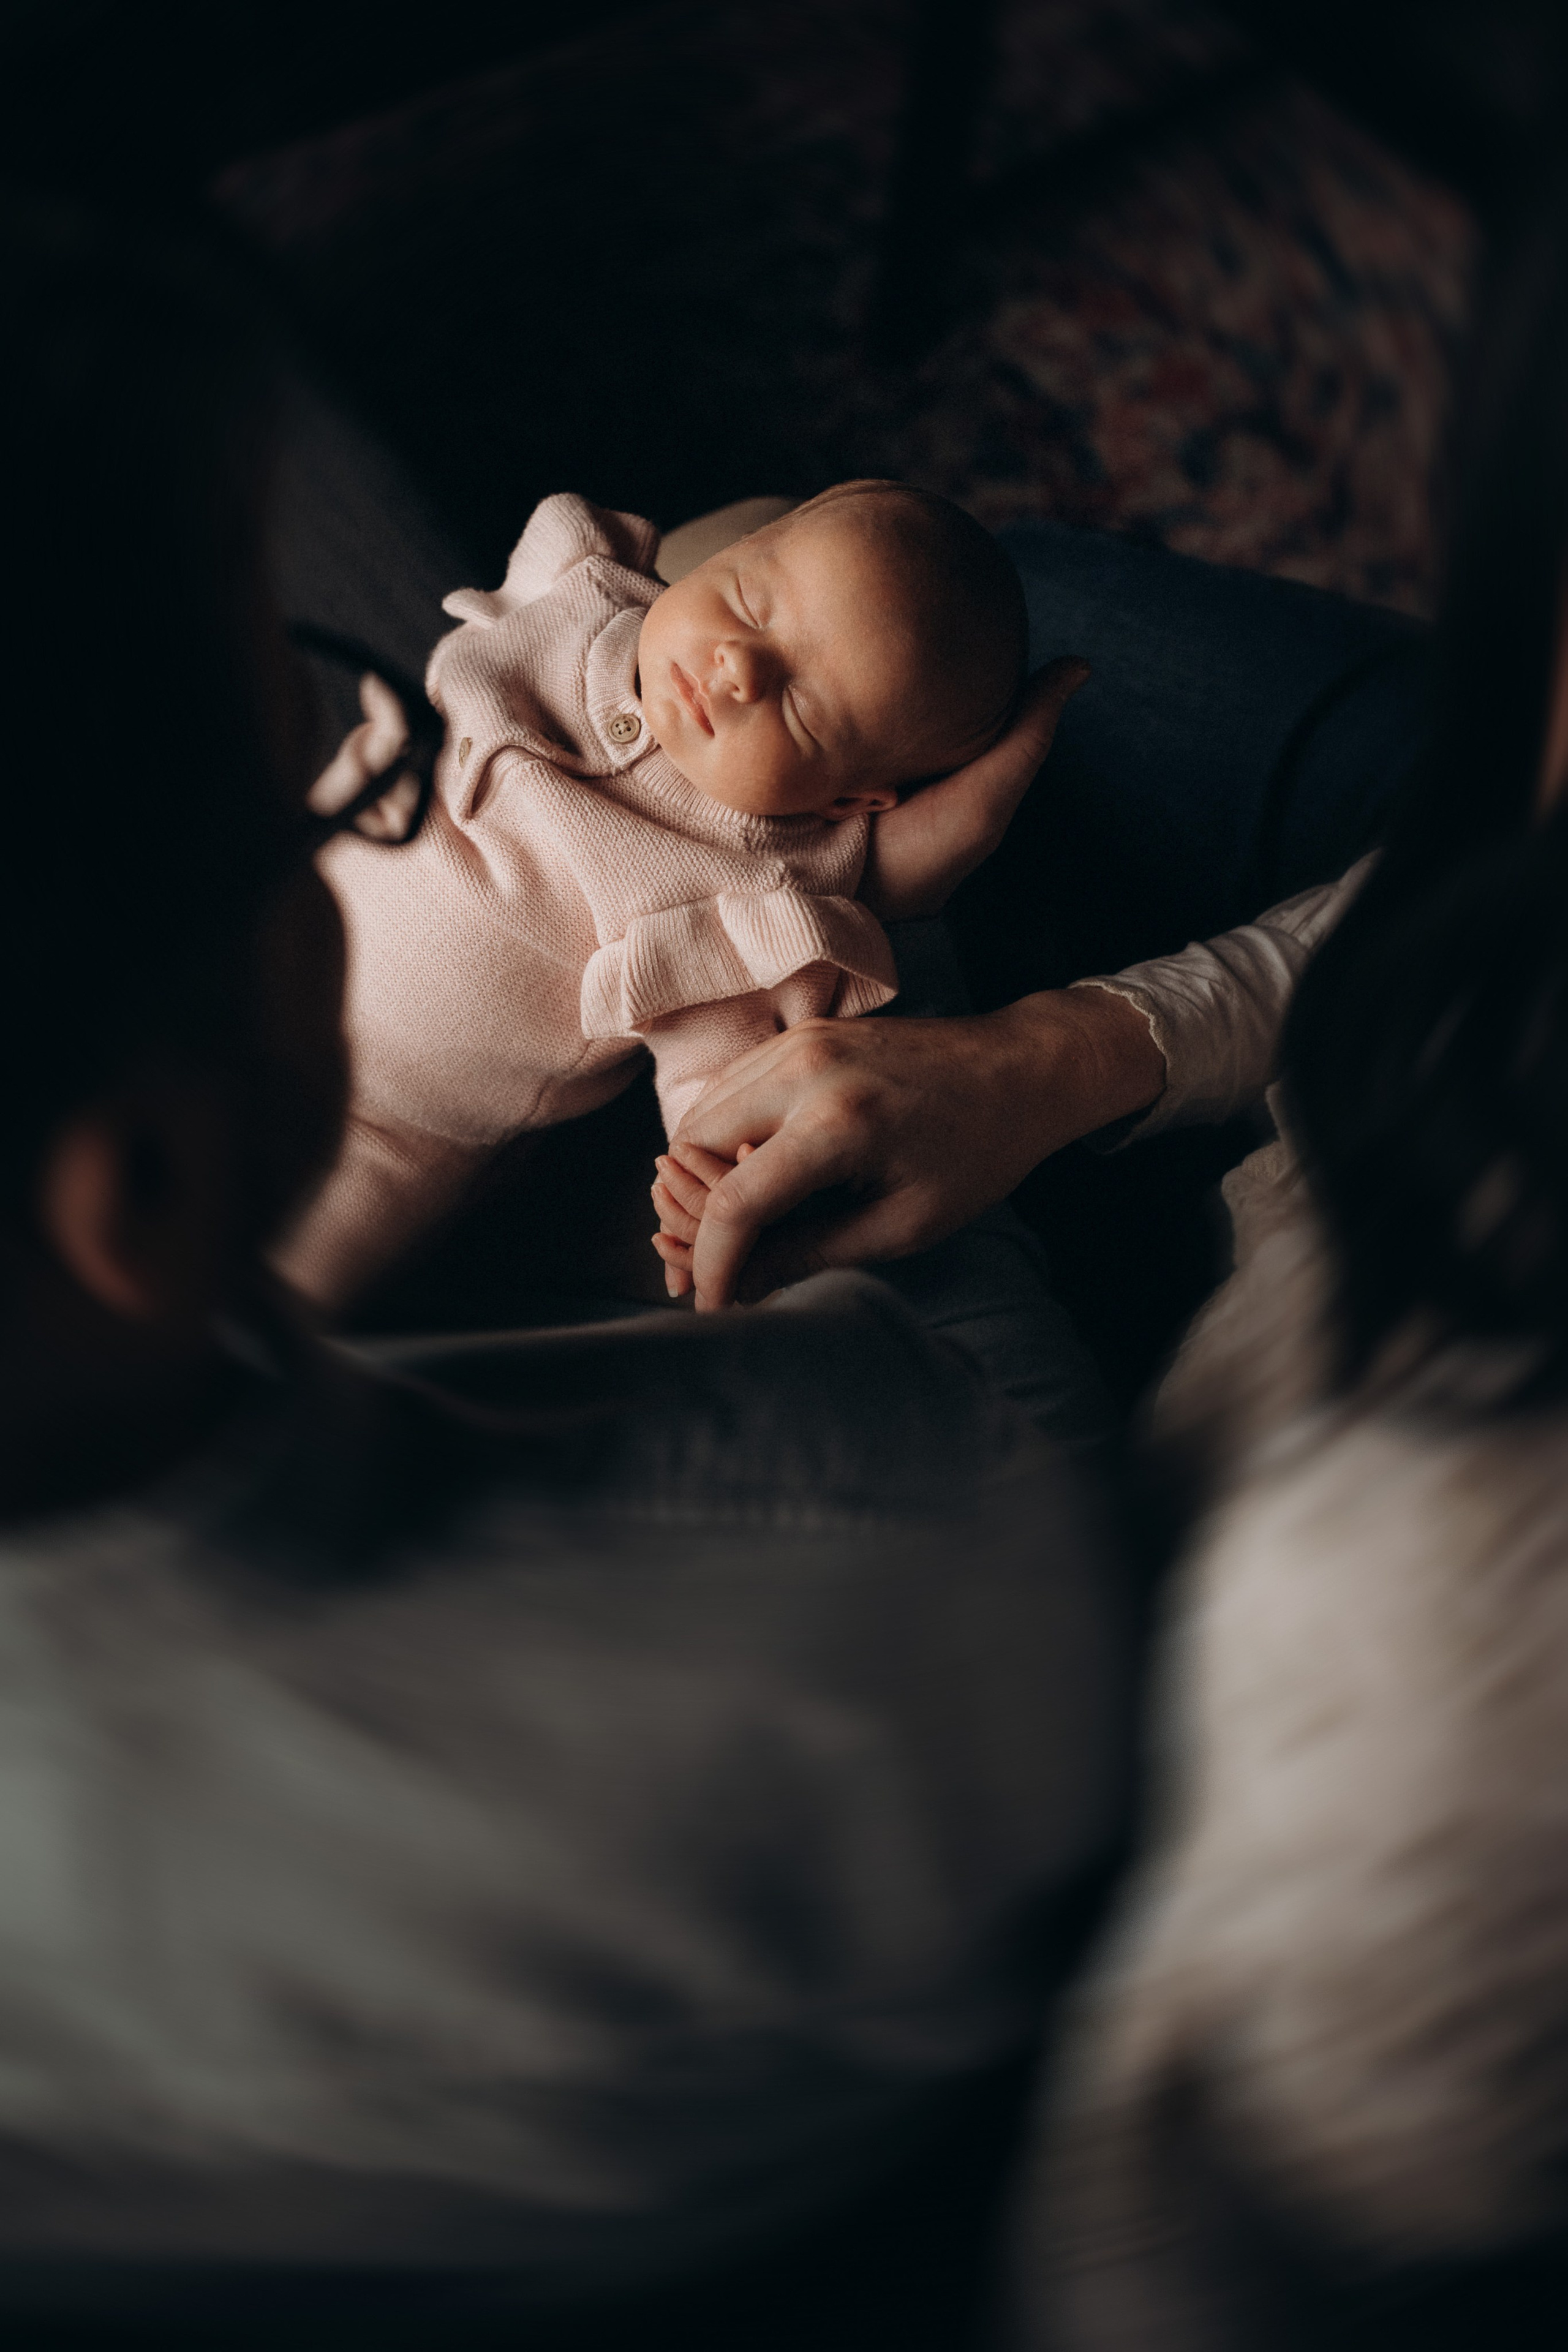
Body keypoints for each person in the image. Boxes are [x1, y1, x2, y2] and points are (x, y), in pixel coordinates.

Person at [0, 201, 1131, 2348]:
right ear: (136, 1183)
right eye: (303, 782)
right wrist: (895, 953)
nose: (363, 765)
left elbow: (732, 1080)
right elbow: (883, 1261)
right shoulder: (889, 1589)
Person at [654, 190, 1568, 2348]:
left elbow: (1141, 2243)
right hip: (1304, 1161)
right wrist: (1054, 1061)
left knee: (814, 727)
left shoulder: (1440, 1657)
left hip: (1158, 1606)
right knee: (915, 597)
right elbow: (1485, 896)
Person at [281, 478, 1085, 1306]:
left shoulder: (750, 899)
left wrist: (714, 1176)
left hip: (385, 1125)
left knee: (262, 1296)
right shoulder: (586, 595)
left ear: (848, 802)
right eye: (746, 600)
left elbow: (723, 1080)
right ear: (727, 558)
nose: (739, 668)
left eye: (804, 708)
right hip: (262, 916)